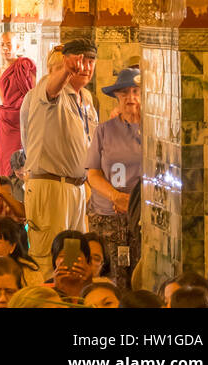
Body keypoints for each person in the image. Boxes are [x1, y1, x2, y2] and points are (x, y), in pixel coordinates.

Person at [21, 36, 97, 278]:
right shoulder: (46, 91)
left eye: (91, 61)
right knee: (48, 258)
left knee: (73, 260)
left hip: (76, 189)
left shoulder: (86, 98)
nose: (84, 67)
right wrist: (65, 71)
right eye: (78, 62)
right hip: (50, 185)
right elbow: (52, 88)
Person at [85, 65, 142, 288]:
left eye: (136, 91)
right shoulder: (104, 130)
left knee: (140, 276)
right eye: (125, 92)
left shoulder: (154, 130)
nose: (131, 97)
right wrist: (115, 197)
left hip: (140, 217)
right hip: (106, 214)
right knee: (111, 278)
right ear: (117, 96)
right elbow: (93, 173)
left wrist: (135, 202)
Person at [0, 32, 36, 177]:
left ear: (17, 46)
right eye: (2, 45)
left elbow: (33, 93)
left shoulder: (25, 66)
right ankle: (4, 185)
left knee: (21, 156)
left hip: (22, 117)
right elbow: (4, 100)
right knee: (5, 158)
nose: (5, 48)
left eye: (9, 44)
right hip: (6, 121)